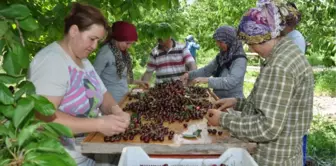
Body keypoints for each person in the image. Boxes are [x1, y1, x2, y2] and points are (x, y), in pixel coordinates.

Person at [206, 1, 314, 165]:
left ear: (264, 37)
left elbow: (267, 127)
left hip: (272, 159)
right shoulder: (286, 53)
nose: (250, 49)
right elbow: (274, 105)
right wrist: (238, 102)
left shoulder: (279, 66)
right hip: (286, 154)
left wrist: (223, 120)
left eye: (251, 43)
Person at [28, 3, 130, 165]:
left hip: (87, 154)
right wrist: (98, 124)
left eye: (98, 40)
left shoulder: (83, 60)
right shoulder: (52, 61)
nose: (95, 46)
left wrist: (116, 111)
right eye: (92, 39)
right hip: (61, 159)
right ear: (74, 30)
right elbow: (43, 117)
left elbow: (103, 95)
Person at [181, 26, 247, 99]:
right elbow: (206, 71)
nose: (218, 44)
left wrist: (206, 80)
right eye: (217, 41)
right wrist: (188, 74)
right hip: (217, 98)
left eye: (220, 42)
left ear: (229, 41)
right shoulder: (221, 56)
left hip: (233, 102)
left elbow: (231, 81)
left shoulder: (240, 59)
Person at [93, 21, 149, 103]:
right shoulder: (105, 53)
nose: (129, 46)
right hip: (110, 103)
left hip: (124, 98)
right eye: (127, 43)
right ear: (118, 38)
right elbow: (93, 77)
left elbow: (122, 78)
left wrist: (139, 82)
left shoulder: (123, 53)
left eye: (131, 44)